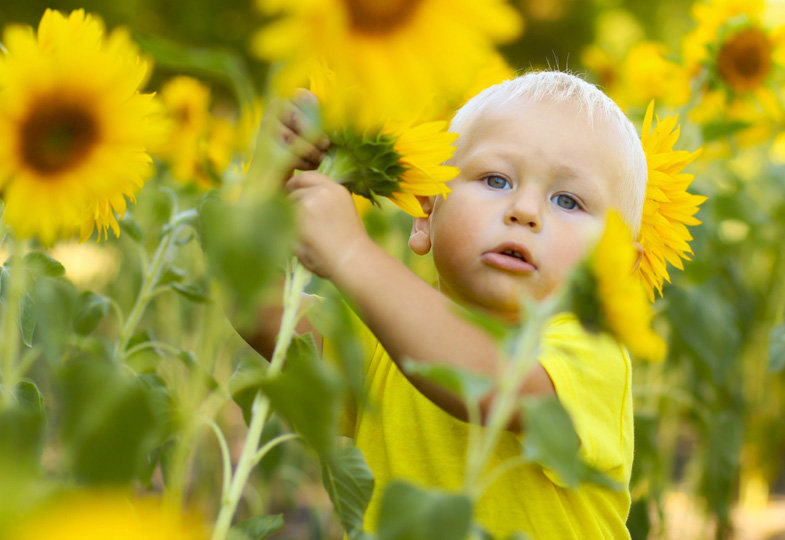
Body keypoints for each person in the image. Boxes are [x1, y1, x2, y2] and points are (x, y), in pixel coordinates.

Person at [242, 71, 647, 538]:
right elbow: (254, 309)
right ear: (424, 216)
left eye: (568, 201)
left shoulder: (591, 352)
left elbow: (493, 386)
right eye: (496, 179)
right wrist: (267, 181)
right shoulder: (383, 347)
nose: (525, 210)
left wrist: (353, 254)